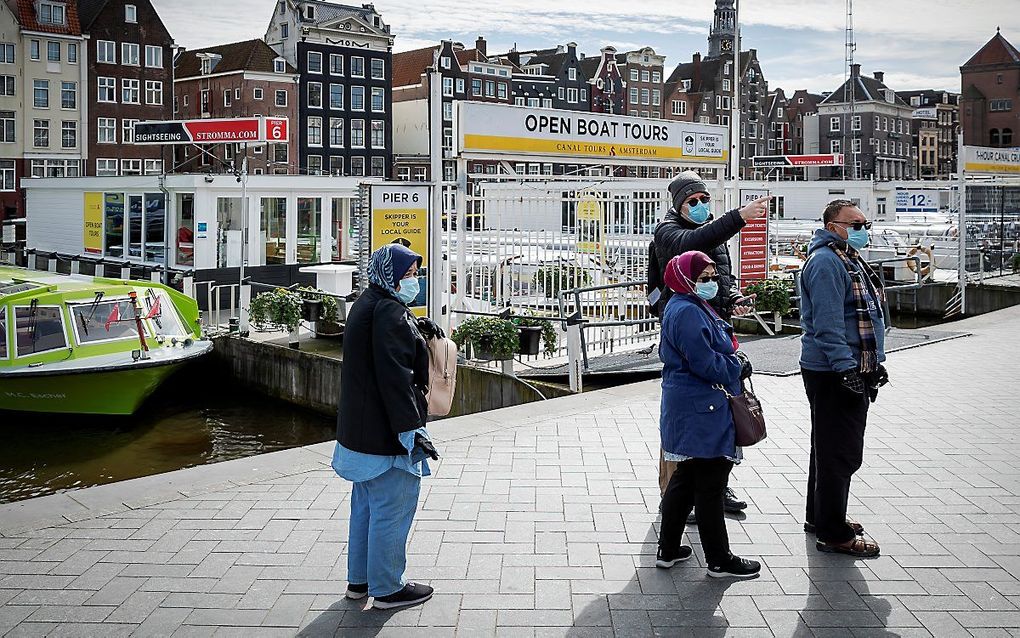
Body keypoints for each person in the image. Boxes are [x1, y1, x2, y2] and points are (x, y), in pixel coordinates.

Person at [651, 171, 770, 513]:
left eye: (705, 200)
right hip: (690, 329)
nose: (701, 206)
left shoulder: (713, 235)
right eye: (693, 201)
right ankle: (674, 496)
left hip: (716, 326)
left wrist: (731, 296)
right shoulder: (668, 232)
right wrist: (739, 217)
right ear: (678, 204)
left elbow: (719, 276)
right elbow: (694, 243)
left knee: (721, 412)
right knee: (685, 418)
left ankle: (718, 485)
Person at [332, 243, 439, 609]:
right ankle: (388, 588)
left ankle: (359, 582)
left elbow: (378, 349)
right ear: (391, 277)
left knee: (365, 509)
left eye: (414, 274)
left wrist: (416, 325)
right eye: (408, 275)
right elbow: (396, 378)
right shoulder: (390, 313)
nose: (414, 281)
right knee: (392, 511)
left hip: (359, 435)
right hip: (385, 437)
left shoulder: (369, 303)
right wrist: (413, 433)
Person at [655, 251, 761, 578]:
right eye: (704, 278)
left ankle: (668, 549)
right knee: (712, 483)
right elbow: (704, 362)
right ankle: (719, 559)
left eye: (714, 277)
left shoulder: (690, 305)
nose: (711, 283)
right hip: (703, 406)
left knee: (686, 478)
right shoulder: (687, 312)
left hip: (695, 405)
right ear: (686, 279)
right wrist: (737, 365)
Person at [800, 199, 888, 558]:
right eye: (855, 224)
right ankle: (833, 533)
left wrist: (874, 362)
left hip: (848, 364)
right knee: (840, 453)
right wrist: (846, 369)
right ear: (832, 225)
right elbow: (828, 323)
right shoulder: (825, 262)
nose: (862, 230)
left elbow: (866, 312)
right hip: (834, 369)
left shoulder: (846, 257)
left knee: (826, 447)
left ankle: (820, 517)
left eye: (865, 224)